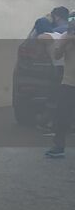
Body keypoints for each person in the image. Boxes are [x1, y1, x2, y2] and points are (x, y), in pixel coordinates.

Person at [38, 30, 75, 158]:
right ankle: (59, 147)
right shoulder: (66, 36)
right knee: (62, 115)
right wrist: (65, 42)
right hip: (69, 83)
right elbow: (57, 56)